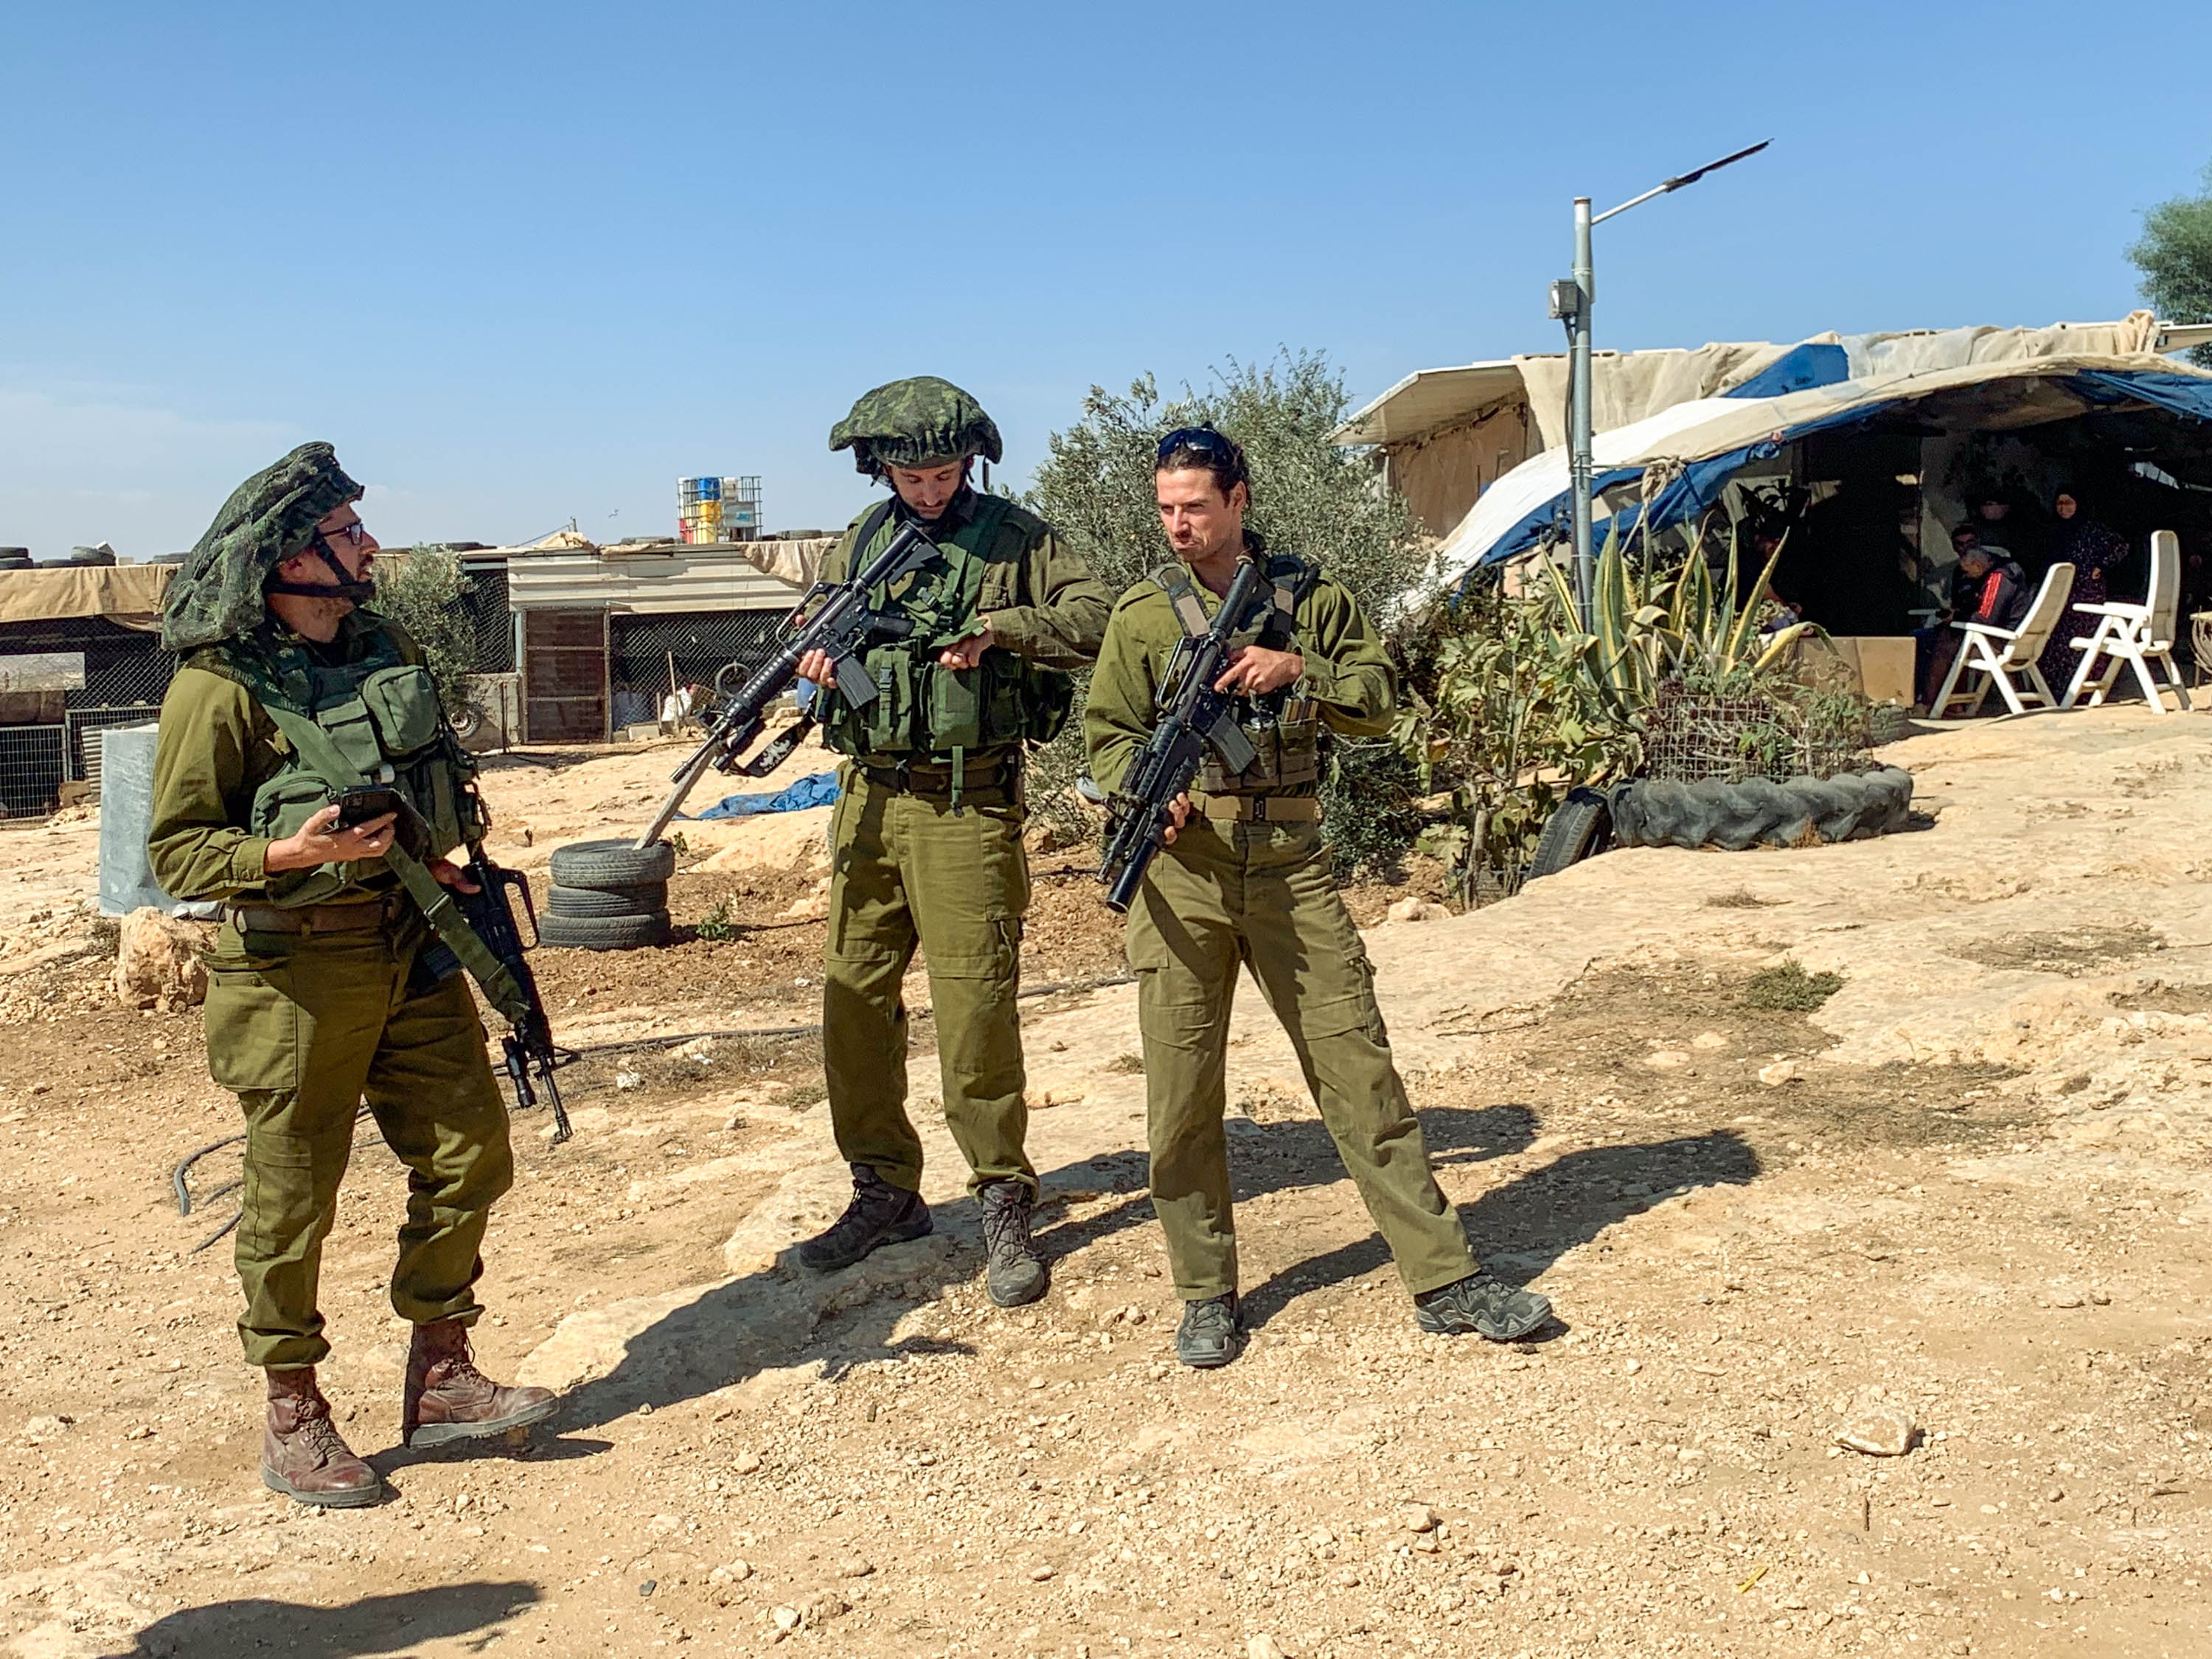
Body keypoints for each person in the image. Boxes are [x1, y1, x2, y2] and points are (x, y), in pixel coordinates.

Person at [1082, 425, 1554, 1369]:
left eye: (1196, 508)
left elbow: (1381, 700)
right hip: (1186, 875)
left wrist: (1297, 671)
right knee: (1180, 1094)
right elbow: (1104, 740)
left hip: (1292, 869)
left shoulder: (1309, 599)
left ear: (1240, 500)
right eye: (1166, 509)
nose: (1178, 526)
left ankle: (1443, 1275)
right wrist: (1147, 790)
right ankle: (1206, 1291)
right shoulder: (1140, 617)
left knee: (1359, 1072)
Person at [147, 444, 555, 1509]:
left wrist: (434, 857)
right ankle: (294, 1410)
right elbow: (177, 853)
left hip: (409, 940)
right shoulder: (219, 686)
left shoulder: (381, 646)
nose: (371, 547)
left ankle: (443, 1368)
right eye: (347, 535)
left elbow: (434, 785)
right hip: (295, 973)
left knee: (473, 1152)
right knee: (293, 1197)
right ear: (289, 560)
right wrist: (294, 855)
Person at [794, 378, 1110, 1305]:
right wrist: (817, 660)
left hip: (967, 804)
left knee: (974, 1010)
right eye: (909, 473)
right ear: (877, 468)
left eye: (943, 472)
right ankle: (883, 1189)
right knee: (852, 1005)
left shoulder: (1019, 540)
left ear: (970, 461)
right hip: (866, 801)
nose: (928, 490)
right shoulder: (860, 544)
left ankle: (1002, 1196)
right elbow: (820, 634)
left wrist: (999, 627)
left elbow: (1099, 620)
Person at [2036, 487, 2131, 699]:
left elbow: (2121, 546)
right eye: (2060, 503)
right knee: (2059, 640)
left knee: (2086, 638)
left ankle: (2088, 688)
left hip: (2086, 592)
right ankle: (2058, 692)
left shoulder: (2093, 529)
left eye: (2068, 503)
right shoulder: (2053, 530)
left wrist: (2101, 566)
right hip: (2061, 594)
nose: (2063, 508)